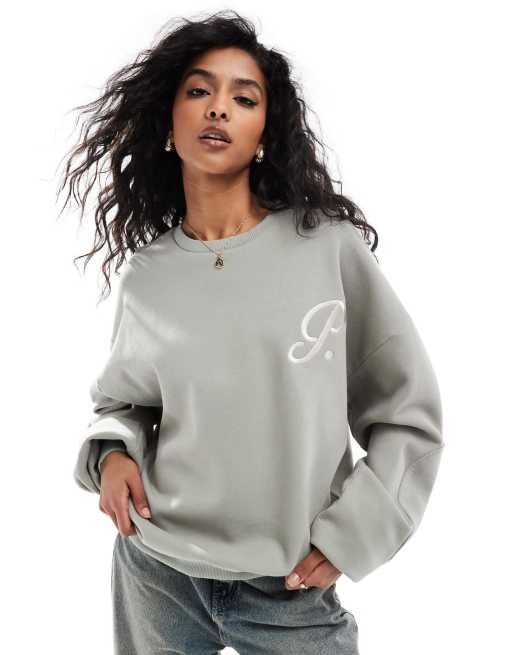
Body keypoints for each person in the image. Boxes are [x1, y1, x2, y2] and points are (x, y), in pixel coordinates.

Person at [60, 10, 444, 655]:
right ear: (168, 124)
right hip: (156, 571)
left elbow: (408, 413)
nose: (219, 108)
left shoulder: (326, 248)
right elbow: (126, 403)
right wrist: (113, 456)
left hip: (289, 586)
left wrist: (354, 534)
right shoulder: (149, 275)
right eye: (199, 91)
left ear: (265, 132)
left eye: (244, 98)